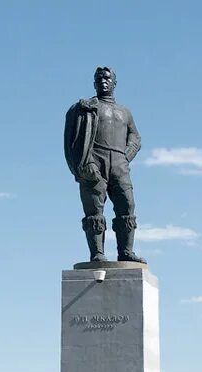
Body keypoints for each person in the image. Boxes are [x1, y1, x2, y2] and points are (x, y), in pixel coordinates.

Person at [63, 66, 146, 263]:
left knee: (127, 205)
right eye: (99, 78)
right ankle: (97, 254)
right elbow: (71, 140)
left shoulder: (124, 112)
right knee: (94, 210)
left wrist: (125, 156)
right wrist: (83, 163)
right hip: (94, 160)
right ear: (94, 83)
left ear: (115, 83)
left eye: (107, 78)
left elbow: (135, 136)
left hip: (119, 162)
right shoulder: (85, 107)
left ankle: (125, 252)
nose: (103, 81)